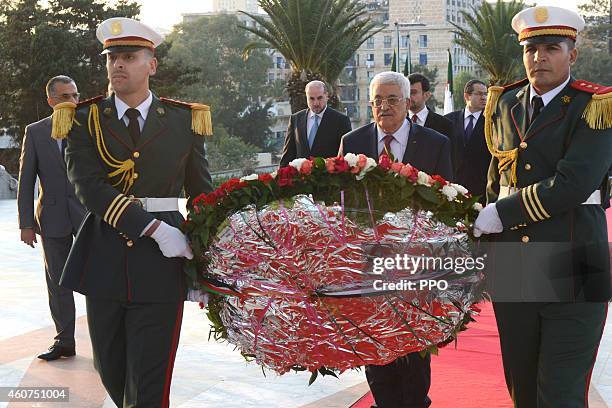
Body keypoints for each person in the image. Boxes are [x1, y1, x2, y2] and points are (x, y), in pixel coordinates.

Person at [56, 17, 213, 407]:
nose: (118, 65)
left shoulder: (182, 120)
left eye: (128, 56)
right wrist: (156, 230)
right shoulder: (82, 118)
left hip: (162, 268)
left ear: (152, 65)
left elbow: (202, 194)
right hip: (104, 259)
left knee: (147, 388)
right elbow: (89, 188)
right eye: (112, 58)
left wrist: (209, 256)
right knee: (112, 374)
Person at [473, 6, 612, 407]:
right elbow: (495, 180)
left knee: (561, 393)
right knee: (523, 388)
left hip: (574, 263)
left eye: (552, 47)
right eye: (531, 49)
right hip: (515, 266)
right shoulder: (503, 102)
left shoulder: (595, 105)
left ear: (573, 54)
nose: (539, 57)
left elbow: (574, 183)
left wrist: (501, 213)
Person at [339, 71, 452, 408]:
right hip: (368, 263)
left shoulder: (435, 143)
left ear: (408, 102)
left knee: (414, 349)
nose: (384, 107)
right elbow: (340, 203)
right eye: (377, 101)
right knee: (375, 343)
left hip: (416, 264)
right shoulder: (353, 142)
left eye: (392, 100)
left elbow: (447, 205)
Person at [17, 75, 86, 361]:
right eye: (64, 97)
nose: (71, 101)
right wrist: (25, 224)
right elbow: (26, 179)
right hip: (52, 218)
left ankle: (107, 342)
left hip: (87, 218)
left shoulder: (90, 128)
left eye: (74, 95)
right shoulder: (35, 132)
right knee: (58, 283)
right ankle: (64, 341)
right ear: (50, 101)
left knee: (98, 280)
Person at [279, 80, 352, 166]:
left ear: (327, 96)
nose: (316, 103)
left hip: (329, 178)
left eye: (320, 98)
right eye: (311, 98)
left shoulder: (341, 121)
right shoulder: (296, 119)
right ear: (306, 97)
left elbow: (346, 157)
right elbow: (288, 155)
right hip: (301, 178)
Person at [444, 80, 491, 202]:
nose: (484, 98)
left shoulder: (492, 122)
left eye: (486, 94)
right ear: (467, 96)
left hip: (481, 191)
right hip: (452, 190)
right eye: (479, 94)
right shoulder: (448, 121)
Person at [407, 73, 453, 139]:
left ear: (426, 95)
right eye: (406, 92)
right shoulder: (397, 122)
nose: (408, 96)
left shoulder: (445, 125)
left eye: (413, 92)